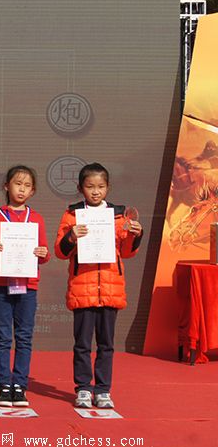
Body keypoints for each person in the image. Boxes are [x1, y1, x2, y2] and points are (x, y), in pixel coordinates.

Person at [54, 162, 143, 409]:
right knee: (82, 344)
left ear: (108, 188)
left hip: (110, 288)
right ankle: (83, 388)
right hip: (82, 288)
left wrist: (135, 234)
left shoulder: (118, 215)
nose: (95, 191)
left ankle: (103, 390)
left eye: (100, 187)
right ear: (80, 188)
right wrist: (71, 236)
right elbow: (60, 251)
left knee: (106, 344)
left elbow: (127, 251)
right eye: (90, 186)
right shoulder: (72, 215)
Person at [0, 165, 49, 407]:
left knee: (24, 336)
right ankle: (3, 384)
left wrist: (42, 253)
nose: (22, 189)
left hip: (28, 285)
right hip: (1, 284)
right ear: (6, 186)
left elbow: (44, 253)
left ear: (33, 191)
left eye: (27, 186)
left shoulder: (36, 218)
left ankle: (19, 385)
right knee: (2, 336)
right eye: (18, 184)